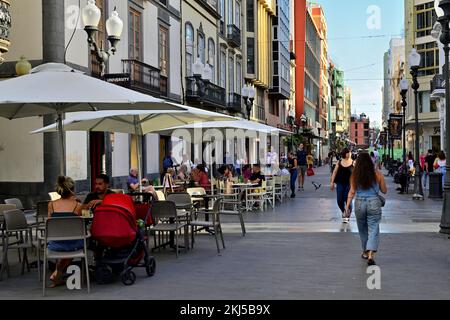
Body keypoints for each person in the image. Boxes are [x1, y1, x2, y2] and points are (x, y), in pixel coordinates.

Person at [345, 152, 387, 266]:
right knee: (373, 228)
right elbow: (384, 190)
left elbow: (352, 192)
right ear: (370, 162)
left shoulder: (355, 175)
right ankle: (371, 254)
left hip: (359, 203)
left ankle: (365, 251)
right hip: (374, 202)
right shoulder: (377, 174)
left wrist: (347, 206)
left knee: (362, 229)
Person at [47, 176, 83, 287]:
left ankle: (58, 271)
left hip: (55, 244)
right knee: (77, 241)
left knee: (67, 241)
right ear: (72, 190)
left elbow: (49, 224)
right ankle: (59, 270)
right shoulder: (78, 205)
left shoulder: (51, 205)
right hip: (74, 244)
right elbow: (80, 226)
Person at [330, 148, 354, 223]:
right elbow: (334, 172)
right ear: (345, 153)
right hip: (340, 183)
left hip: (349, 184)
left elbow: (357, 174)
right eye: (348, 152)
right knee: (339, 200)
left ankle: (347, 214)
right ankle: (344, 211)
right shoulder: (339, 162)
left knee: (348, 200)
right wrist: (332, 182)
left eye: (350, 152)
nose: (350, 154)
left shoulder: (353, 162)